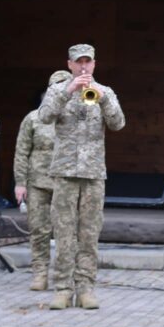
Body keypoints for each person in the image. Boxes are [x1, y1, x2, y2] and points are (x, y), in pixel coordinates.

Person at [38, 44, 125, 310]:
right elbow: (44, 116)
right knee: (64, 233)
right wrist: (68, 91)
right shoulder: (57, 91)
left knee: (89, 234)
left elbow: (118, 123)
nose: (84, 66)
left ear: (95, 64)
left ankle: (86, 288)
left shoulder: (105, 92)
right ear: (70, 64)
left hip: (93, 174)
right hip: (64, 173)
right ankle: (63, 288)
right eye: (79, 62)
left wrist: (103, 98)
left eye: (88, 62)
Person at [14, 70, 71, 291]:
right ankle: (40, 273)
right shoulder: (33, 118)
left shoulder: (74, 119)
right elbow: (22, 152)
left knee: (66, 231)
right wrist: (20, 183)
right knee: (39, 229)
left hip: (65, 183)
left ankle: (63, 276)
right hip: (37, 182)